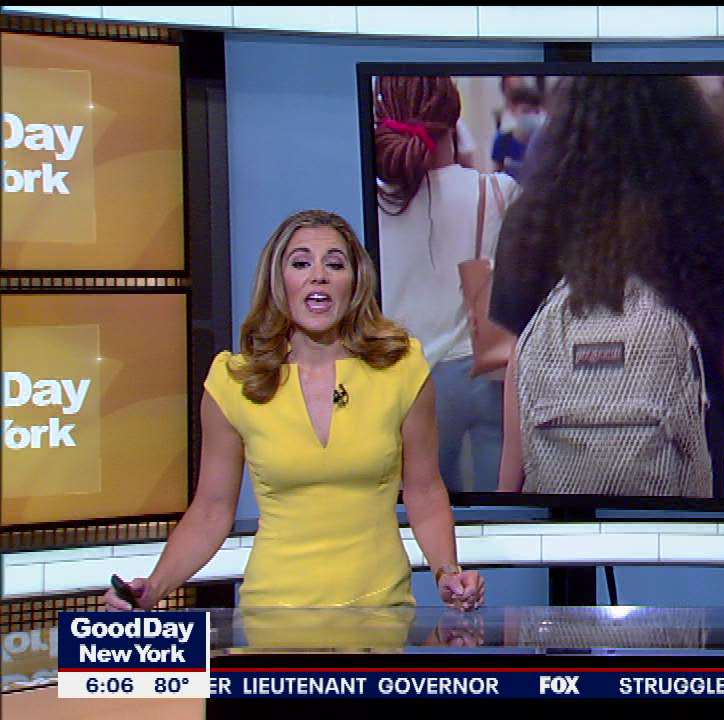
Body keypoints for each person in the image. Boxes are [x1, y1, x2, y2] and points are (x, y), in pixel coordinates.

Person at [104, 209, 485, 612]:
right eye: (301, 263)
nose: (318, 276)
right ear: (278, 281)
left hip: (380, 613)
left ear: (354, 282)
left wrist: (447, 572)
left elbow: (424, 491)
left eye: (334, 264)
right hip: (274, 615)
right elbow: (211, 512)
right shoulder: (236, 382)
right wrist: (155, 588)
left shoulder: (400, 368)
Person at [488, 75, 724, 498]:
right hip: (681, 489)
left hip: (561, 487)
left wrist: (508, 496)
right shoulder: (712, 207)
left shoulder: (533, 216)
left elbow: (518, 369)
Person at [374, 75, 518, 493]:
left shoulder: (376, 202)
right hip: (486, 376)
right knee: (499, 514)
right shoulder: (497, 192)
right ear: (454, 118)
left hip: (400, 384)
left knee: (421, 513)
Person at [490, 84, 544, 183]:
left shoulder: (544, 142)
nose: (531, 116)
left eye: (536, 112)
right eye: (526, 111)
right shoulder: (503, 140)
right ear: (512, 109)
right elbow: (495, 175)